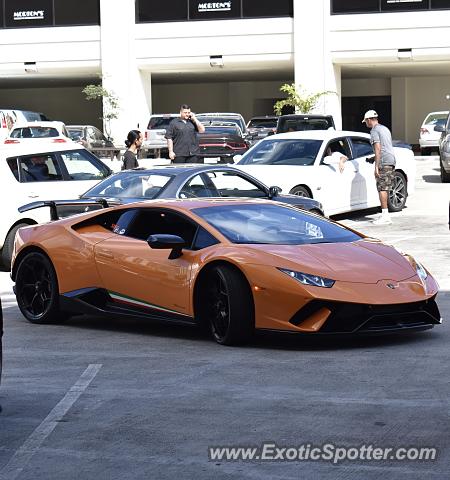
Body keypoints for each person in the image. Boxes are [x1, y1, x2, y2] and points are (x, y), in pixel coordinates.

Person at [362, 109, 396, 225]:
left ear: (369, 120)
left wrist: (376, 166)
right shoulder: (385, 129)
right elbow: (386, 147)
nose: (366, 123)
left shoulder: (374, 131)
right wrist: (373, 159)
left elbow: (378, 148)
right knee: (385, 187)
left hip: (383, 161)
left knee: (382, 188)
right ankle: (385, 215)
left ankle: (385, 216)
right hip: (391, 160)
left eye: (366, 121)